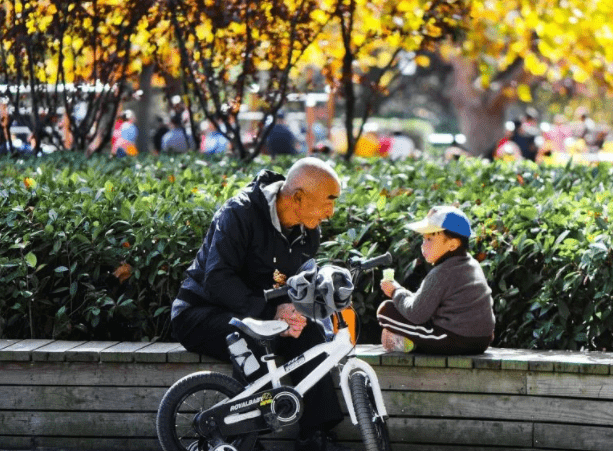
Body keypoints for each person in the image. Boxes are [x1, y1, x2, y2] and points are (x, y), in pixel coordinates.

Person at [169, 158, 351, 451]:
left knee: (312, 336)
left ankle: (316, 436)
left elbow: (295, 283)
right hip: (200, 313)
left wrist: (297, 312)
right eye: (329, 201)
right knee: (252, 338)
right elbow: (217, 279)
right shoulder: (239, 213)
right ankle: (244, 440)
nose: (332, 212)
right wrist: (271, 312)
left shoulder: (309, 229)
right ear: (299, 197)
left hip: (262, 315)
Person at [377, 206, 495, 355]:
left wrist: (395, 291)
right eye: (423, 239)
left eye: (430, 239)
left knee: (385, 310)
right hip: (482, 340)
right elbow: (423, 306)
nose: (423, 245)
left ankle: (410, 341)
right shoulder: (472, 264)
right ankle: (413, 342)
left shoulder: (442, 272)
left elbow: (417, 314)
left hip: (453, 339)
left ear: (453, 244)